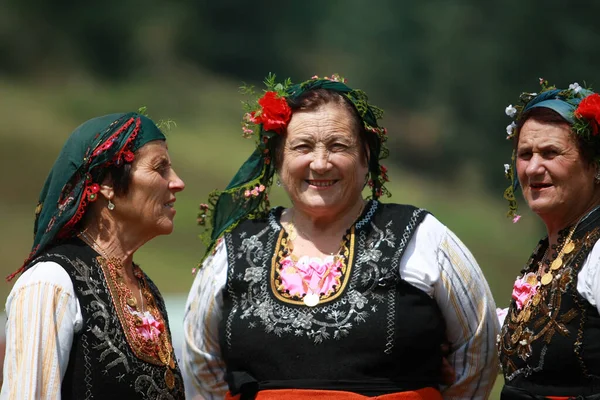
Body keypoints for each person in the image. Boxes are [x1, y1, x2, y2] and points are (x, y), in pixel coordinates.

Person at [183, 74, 499, 399]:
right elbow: (200, 362)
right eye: (303, 147)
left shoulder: (422, 236)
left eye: (338, 146)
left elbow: (479, 346)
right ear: (278, 159)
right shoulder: (236, 246)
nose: (320, 163)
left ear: (365, 157)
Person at [1, 112, 186, 399]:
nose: (177, 183)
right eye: (160, 169)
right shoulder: (51, 283)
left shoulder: (146, 289)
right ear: (108, 184)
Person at [498, 80, 600, 399]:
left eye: (551, 152)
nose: (533, 168)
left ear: (595, 164)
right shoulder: (552, 249)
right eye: (525, 154)